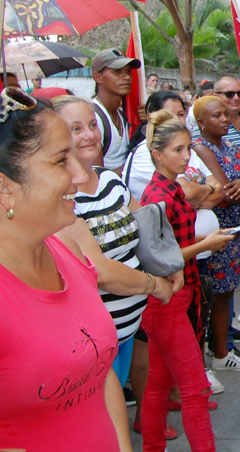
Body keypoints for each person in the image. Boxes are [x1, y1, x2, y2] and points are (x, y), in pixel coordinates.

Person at [0, 87, 131, 451]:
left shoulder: (69, 253)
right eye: (61, 161)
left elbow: (100, 370)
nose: (79, 174)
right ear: (4, 187)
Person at [51, 96, 180, 392]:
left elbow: (147, 229)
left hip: (127, 330)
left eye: (93, 125)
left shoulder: (111, 180)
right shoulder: (62, 199)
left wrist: (171, 265)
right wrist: (155, 285)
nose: (89, 135)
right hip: (93, 340)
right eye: (76, 128)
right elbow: (102, 271)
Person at [140, 110, 236, 452]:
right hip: (168, 299)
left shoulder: (170, 190)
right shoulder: (159, 198)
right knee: (194, 389)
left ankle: (152, 446)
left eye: (187, 149)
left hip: (177, 295)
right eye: (178, 150)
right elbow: (158, 260)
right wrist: (206, 245)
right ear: (157, 155)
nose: (185, 157)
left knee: (159, 382)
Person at [191, 97, 240, 372]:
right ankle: (212, 358)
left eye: (225, 114)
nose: (224, 119)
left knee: (226, 292)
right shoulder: (201, 148)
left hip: (237, 231)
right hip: (216, 235)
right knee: (212, 296)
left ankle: (221, 353)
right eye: (216, 116)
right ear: (200, 123)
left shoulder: (230, 145)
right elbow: (222, 194)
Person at [91, 47, 141, 173]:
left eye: (128, 71)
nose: (126, 77)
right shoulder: (93, 118)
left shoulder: (122, 115)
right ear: (98, 77)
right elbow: (96, 177)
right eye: (117, 72)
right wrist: (138, 165)